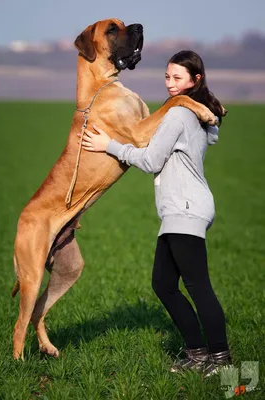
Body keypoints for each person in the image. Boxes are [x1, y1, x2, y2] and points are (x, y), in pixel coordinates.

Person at [77, 50, 233, 377]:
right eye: (167, 76)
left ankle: (221, 361)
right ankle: (197, 353)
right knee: (163, 283)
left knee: (198, 286)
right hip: (181, 209)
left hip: (185, 208)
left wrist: (109, 145)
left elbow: (151, 161)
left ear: (195, 80)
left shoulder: (178, 115)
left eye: (178, 78)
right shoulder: (194, 113)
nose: (170, 84)